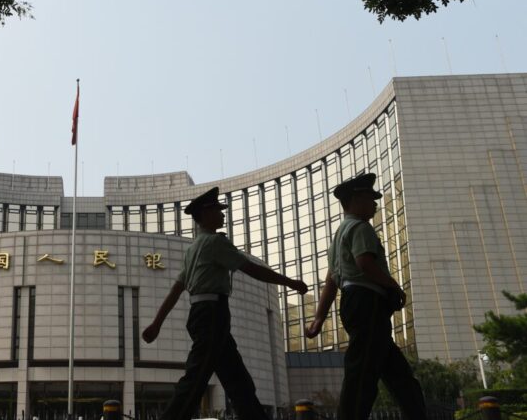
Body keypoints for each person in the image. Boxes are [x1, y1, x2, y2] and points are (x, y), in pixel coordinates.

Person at [142, 186, 308, 420]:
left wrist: (157, 324)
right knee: (197, 378)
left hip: (204, 314)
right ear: (206, 213)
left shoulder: (193, 249)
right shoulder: (214, 243)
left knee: (238, 380)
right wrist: (290, 282)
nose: (222, 214)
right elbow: (251, 269)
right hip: (212, 314)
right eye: (218, 210)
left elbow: (177, 288)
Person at [305, 173, 427, 420]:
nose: (375, 204)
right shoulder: (361, 228)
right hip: (367, 301)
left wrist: (319, 317)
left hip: (354, 302)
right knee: (362, 372)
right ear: (356, 200)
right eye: (370, 199)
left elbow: (331, 281)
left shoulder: (338, 236)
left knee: (398, 374)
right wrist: (394, 286)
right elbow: (365, 264)